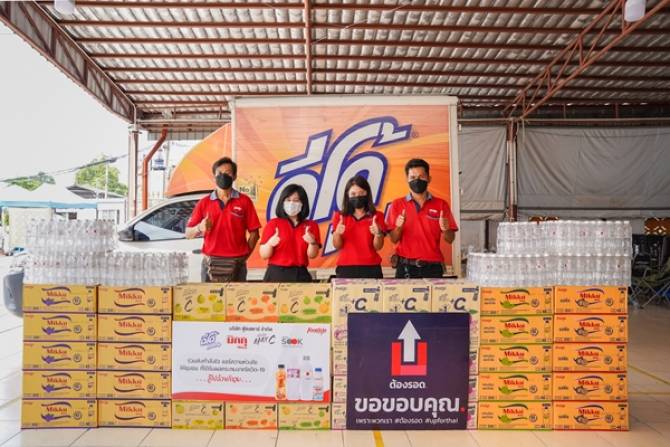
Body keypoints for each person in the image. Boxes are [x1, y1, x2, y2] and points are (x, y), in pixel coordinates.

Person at [185, 157, 261, 282]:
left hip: (237, 264)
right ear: (214, 177)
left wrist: (244, 257)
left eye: (228, 173)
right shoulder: (204, 203)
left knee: (237, 295)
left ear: (234, 176)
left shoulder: (244, 201)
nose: (223, 176)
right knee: (208, 295)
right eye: (219, 173)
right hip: (210, 263)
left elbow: (255, 234)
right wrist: (199, 227)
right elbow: (188, 234)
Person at [387, 158, 458, 278]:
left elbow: (450, 239)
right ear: (407, 179)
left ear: (429, 178)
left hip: (433, 268)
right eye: (413, 177)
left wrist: (446, 229)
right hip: (405, 268)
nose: (417, 180)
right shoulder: (397, 204)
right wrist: (399, 227)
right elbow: (393, 239)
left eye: (421, 177)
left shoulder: (441, 204)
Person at [259, 184, 321, 282]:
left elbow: (312, 255)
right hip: (276, 274)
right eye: (288, 200)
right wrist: (270, 244)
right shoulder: (273, 224)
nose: (292, 203)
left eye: (296, 200)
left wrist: (312, 242)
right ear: (282, 202)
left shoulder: (311, 225)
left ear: (303, 203)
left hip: (300, 274)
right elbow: (264, 255)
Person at [331, 175, 386, 279]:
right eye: (353, 194)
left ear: (367, 194)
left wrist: (378, 234)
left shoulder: (377, 216)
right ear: (347, 195)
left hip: (371, 268)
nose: (357, 196)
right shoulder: (339, 216)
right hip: (346, 268)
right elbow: (337, 246)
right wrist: (337, 233)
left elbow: (378, 247)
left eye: (361, 193)